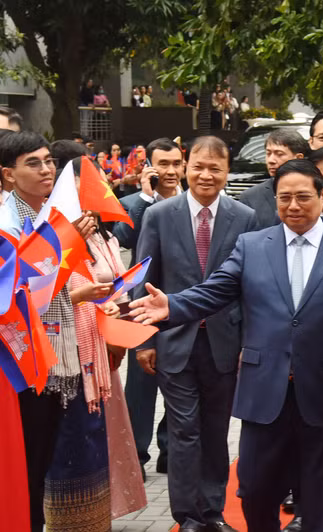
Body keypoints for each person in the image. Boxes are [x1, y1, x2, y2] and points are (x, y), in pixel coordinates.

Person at [130, 158, 323, 532]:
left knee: (321, 496)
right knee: (257, 490)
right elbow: (214, 292)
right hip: (265, 392)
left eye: (303, 197)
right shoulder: (252, 245)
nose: (293, 206)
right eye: (284, 198)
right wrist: (172, 306)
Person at [133, 136, 256, 532]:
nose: (206, 175)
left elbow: (250, 289)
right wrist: (145, 340)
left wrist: (248, 345)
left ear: (226, 172)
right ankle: (186, 515)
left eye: (215, 168)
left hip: (224, 342)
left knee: (217, 429)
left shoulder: (245, 216)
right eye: (199, 166)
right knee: (184, 428)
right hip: (173, 340)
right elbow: (144, 281)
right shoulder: (160, 215)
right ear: (187, 167)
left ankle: (212, 510)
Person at [0, 131, 99, 531]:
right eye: (33, 163)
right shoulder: (8, 224)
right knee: (22, 463)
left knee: (39, 464)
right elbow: (20, 294)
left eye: (48, 161)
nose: (47, 170)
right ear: (7, 175)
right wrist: (68, 246)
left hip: (53, 356)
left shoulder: (48, 215)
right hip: (18, 363)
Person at [44, 156, 147, 531]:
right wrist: (81, 297)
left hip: (104, 357)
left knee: (100, 445)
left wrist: (116, 309)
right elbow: (38, 297)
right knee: (71, 449)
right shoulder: (48, 236)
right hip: (68, 360)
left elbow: (119, 284)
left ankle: (98, 518)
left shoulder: (105, 236)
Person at [113, 138, 185, 481]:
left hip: (184, 309)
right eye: (163, 164)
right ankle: (135, 456)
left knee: (182, 384)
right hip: (142, 307)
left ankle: (171, 452)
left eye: (176, 163)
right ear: (149, 166)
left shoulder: (195, 202)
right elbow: (125, 237)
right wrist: (144, 195)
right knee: (140, 389)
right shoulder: (133, 202)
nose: (170, 171)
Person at [238, 128, 308, 229]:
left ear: (298, 158)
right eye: (268, 154)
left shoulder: (315, 192)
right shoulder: (250, 197)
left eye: (279, 154)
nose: (271, 160)